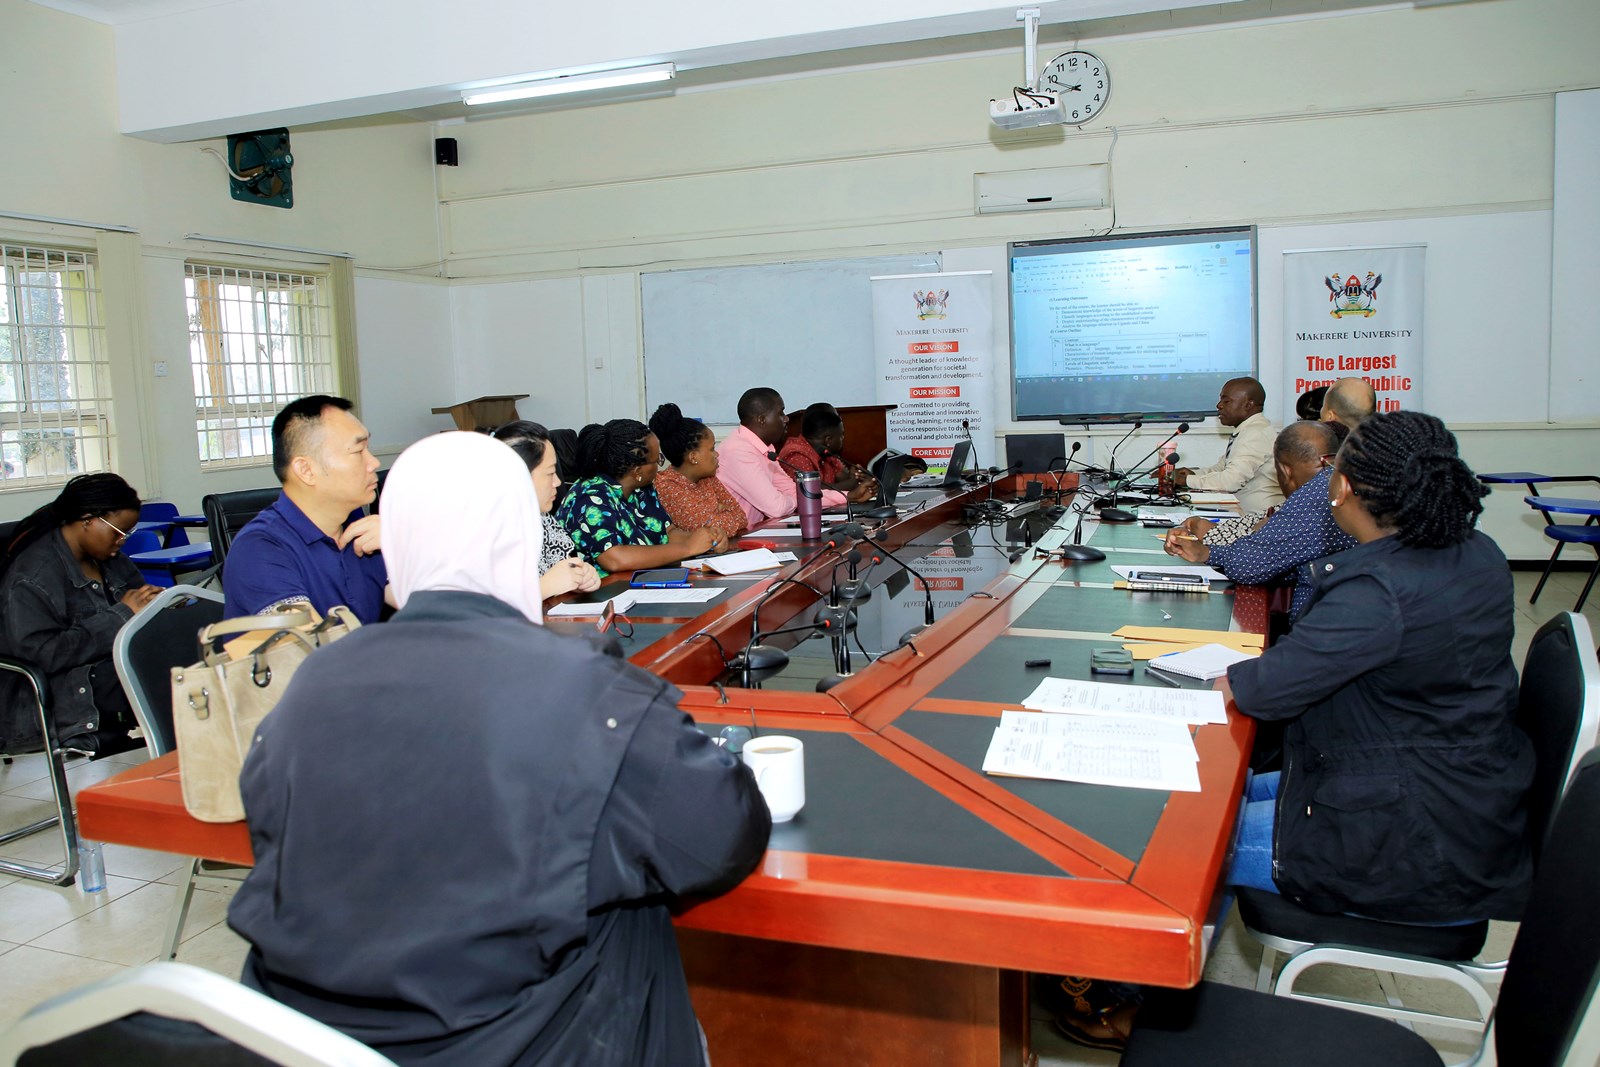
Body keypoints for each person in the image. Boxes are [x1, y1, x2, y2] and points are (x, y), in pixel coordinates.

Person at [227, 431, 770, 1067]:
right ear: (520, 544)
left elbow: (270, 825)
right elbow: (720, 839)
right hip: (542, 1044)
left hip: (325, 1045)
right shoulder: (584, 690)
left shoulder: (313, 682)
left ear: (394, 551)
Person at [1221, 410, 1534, 922]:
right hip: (1458, 796)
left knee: (1175, 834)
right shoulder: (1478, 552)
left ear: (1340, 487)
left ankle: (1122, 991)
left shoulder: (1378, 593)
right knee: (1212, 792)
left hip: (1407, 842)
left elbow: (1261, 691)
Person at [0, 473, 160, 758]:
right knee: (164, 672)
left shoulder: (110, 559)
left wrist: (159, 606)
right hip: (56, 693)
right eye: (118, 531)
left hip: (104, 675)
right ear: (88, 520)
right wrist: (122, 614)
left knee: (186, 649)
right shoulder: (32, 576)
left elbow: (138, 602)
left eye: (128, 533)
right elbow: (44, 654)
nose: (122, 541)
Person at [1163, 420, 1355, 620]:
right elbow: (1281, 557)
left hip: (1321, 636)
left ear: (1285, 471)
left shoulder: (1314, 495)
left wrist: (1206, 552)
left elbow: (1247, 566)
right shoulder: (1338, 482)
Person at [223, 395, 391, 623]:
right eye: (358, 451)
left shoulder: (360, 530)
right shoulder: (260, 549)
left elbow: (441, 607)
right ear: (306, 470)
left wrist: (404, 542)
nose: (374, 463)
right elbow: (308, 649)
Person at [553, 418, 722, 575]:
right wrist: (688, 548)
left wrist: (708, 540)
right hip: (599, 594)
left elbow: (667, 532)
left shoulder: (642, 488)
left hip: (641, 582)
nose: (659, 467)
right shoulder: (590, 497)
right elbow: (615, 559)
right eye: (657, 461)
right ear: (638, 472)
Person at [716, 387, 870, 528]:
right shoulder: (738, 451)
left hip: (755, 533)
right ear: (762, 419)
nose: (786, 419)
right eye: (780, 413)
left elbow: (794, 491)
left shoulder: (766, 449)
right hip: (735, 541)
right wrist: (796, 500)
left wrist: (848, 496)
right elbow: (776, 507)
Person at [491, 420, 601, 600]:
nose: (558, 482)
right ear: (519, 477)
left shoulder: (543, 520)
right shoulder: (479, 532)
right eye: (550, 473)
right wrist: (544, 587)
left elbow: (566, 569)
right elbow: (476, 608)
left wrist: (582, 577)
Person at [1170, 377, 1284, 513]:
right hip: (1241, 512)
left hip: (1257, 519)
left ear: (1248, 405)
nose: (1219, 405)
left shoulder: (1256, 434)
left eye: (1226, 401)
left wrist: (1187, 480)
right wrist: (1193, 473)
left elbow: (1231, 481)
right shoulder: (1248, 429)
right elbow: (1222, 469)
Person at [648, 403, 749, 541]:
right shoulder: (667, 486)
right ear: (693, 457)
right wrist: (721, 511)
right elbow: (708, 532)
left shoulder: (707, 478)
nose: (717, 454)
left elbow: (741, 517)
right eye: (712, 449)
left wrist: (718, 515)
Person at [776, 403, 877, 495]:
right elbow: (811, 490)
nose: (843, 439)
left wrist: (860, 477)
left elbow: (845, 478)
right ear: (828, 440)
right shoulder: (796, 455)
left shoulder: (826, 452)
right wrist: (851, 484)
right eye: (841, 435)